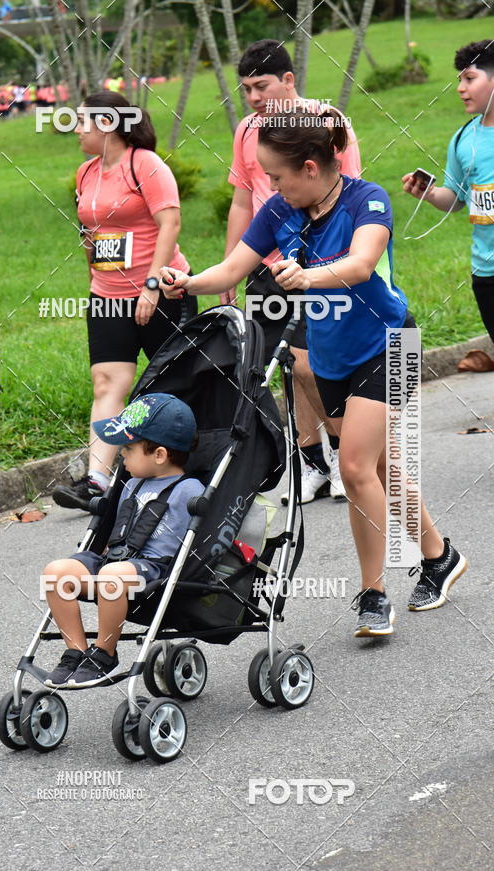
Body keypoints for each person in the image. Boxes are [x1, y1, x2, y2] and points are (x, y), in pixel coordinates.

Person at [161, 110, 468, 639]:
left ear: (309, 167)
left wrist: (308, 275)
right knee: (380, 465)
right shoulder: (282, 209)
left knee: (353, 468)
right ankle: (440, 556)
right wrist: (185, 282)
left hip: (391, 343)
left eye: (277, 177)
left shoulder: (366, 198)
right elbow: (233, 268)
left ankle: (373, 594)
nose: (271, 187)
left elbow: (362, 264)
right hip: (331, 358)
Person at [223, 40, 362, 505]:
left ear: (289, 79)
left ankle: (345, 455)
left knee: (309, 363)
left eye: (261, 86)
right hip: (267, 266)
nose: (254, 97)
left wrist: (335, 261)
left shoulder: (328, 123)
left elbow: (347, 193)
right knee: (284, 366)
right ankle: (311, 462)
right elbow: (243, 202)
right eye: (246, 89)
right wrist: (228, 274)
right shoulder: (247, 131)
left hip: (320, 264)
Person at [52, 90, 196, 512]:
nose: (77, 130)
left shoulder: (145, 164)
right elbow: (89, 235)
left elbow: (169, 222)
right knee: (107, 382)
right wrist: (94, 279)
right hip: (107, 296)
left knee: (178, 381)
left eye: (84, 122)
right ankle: (97, 479)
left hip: (162, 290)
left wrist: (151, 284)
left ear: (108, 125)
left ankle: (196, 462)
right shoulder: (85, 173)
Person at [43, 393, 203, 686]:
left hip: (154, 568)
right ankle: (76, 651)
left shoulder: (189, 490)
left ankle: (104, 653)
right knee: (55, 573)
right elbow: (119, 530)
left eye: (128, 449)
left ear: (159, 455)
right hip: (117, 561)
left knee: (111, 576)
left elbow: (204, 535)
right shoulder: (130, 484)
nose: (121, 455)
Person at [402, 39, 494, 344]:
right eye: (460, 81)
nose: (460, 88)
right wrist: (428, 193)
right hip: (486, 272)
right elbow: (455, 199)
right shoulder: (463, 139)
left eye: (470, 78)